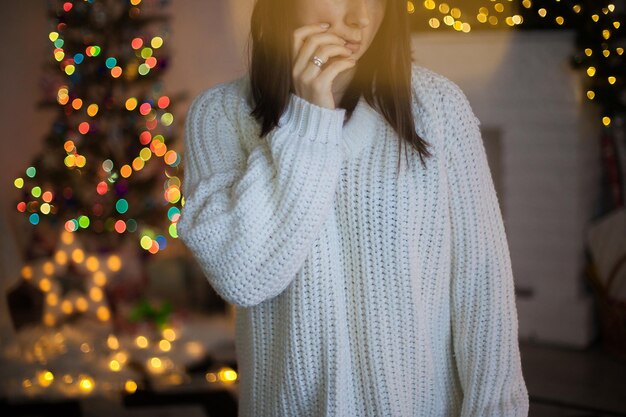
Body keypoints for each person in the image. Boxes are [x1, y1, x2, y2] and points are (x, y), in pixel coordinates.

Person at [176, 0, 530, 416]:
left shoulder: (438, 106)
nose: (362, 18)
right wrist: (309, 120)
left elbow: (482, 288)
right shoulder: (219, 115)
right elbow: (243, 277)